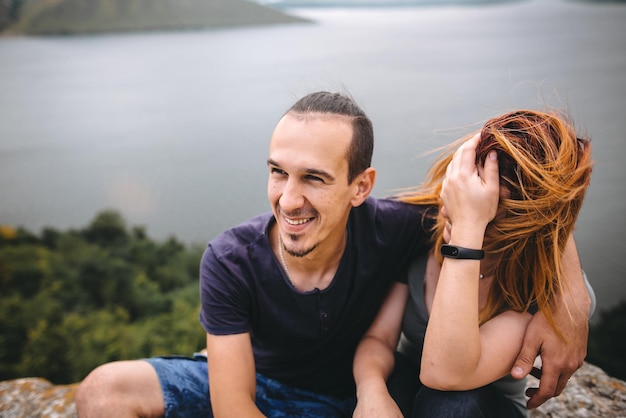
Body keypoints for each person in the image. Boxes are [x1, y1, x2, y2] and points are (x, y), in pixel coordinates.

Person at [75, 94, 590, 418]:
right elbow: (234, 406)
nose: (288, 200)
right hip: (267, 387)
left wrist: (568, 300)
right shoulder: (231, 258)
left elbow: (532, 213)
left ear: (360, 186)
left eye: (315, 178)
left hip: (362, 401)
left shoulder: (403, 228)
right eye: (278, 171)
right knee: (103, 392)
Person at [352, 109, 594, 418]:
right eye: (462, 192)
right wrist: (371, 393)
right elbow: (379, 339)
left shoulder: (541, 289)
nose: (450, 212)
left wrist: (467, 233)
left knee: (451, 405)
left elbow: (445, 376)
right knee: (380, 381)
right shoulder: (424, 228)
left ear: (525, 225)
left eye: (484, 211)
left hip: (478, 409)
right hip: (414, 390)